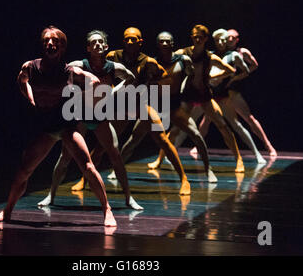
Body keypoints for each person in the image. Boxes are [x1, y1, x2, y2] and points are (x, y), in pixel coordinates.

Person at [0, 26, 117, 227]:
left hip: (66, 125)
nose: (50, 44)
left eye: (55, 41)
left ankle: (107, 210)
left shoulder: (69, 71)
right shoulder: (31, 67)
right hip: (46, 127)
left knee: (87, 166)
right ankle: (7, 211)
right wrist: (30, 96)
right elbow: (22, 80)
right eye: (47, 41)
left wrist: (82, 97)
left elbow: (93, 80)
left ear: (62, 46)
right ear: (42, 45)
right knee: (24, 171)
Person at [72, 27, 192, 195]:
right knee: (102, 147)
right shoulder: (114, 56)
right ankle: (85, 179)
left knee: (163, 140)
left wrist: (151, 83)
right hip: (121, 108)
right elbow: (104, 70)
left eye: (133, 39)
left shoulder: (148, 61)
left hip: (140, 106)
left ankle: (184, 179)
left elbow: (163, 75)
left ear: (140, 42)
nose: (129, 42)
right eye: (127, 39)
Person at [37, 30, 143, 210]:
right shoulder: (80, 65)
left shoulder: (113, 67)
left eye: (101, 42)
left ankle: (128, 198)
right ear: (88, 48)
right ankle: (51, 195)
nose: (97, 45)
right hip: (80, 116)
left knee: (115, 156)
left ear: (106, 47)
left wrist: (114, 92)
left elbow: (131, 78)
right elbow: (60, 71)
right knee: (65, 156)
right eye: (93, 43)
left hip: (100, 117)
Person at [123, 31, 217, 182]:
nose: (165, 44)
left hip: (174, 104)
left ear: (173, 43)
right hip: (154, 104)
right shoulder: (151, 62)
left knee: (196, 135)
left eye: (168, 41)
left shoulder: (183, 60)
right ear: (158, 44)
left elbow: (190, 75)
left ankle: (208, 169)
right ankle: (117, 169)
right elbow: (144, 83)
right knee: (134, 139)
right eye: (162, 41)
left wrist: (182, 89)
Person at [150, 24, 245, 173]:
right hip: (188, 96)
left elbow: (230, 70)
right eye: (195, 36)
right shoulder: (183, 53)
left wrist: (212, 76)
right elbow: (168, 62)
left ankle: (239, 159)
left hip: (205, 96)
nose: (197, 39)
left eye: (200, 37)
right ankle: (159, 159)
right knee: (175, 130)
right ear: (192, 37)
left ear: (206, 38)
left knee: (222, 125)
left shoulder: (209, 57)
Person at [194, 29, 266, 163]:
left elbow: (245, 70)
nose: (221, 43)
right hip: (209, 95)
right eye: (217, 40)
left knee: (236, 125)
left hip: (223, 95)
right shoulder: (211, 55)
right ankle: (189, 148)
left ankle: (257, 153)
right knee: (193, 122)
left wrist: (233, 78)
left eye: (223, 40)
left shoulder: (233, 55)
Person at [225, 29, 277, 157]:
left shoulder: (242, 52)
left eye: (233, 37)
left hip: (232, 92)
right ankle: (197, 147)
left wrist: (238, 77)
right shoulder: (221, 51)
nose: (230, 39)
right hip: (220, 92)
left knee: (249, 118)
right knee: (207, 118)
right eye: (228, 37)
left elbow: (254, 65)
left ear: (237, 39)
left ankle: (268, 145)